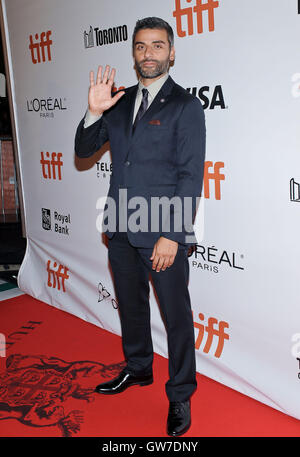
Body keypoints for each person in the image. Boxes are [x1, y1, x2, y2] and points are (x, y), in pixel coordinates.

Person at [75, 16, 206, 437]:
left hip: (162, 232)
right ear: (133, 53)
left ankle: (181, 393)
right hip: (119, 228)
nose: (148, 53)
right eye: (141, 46)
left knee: (176, 316)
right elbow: (83, 150)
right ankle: (138, 368)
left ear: (171, 52)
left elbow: (190, 176)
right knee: (131, 307)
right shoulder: (117, 100)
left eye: (157, 45)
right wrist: (93, 111)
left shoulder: (185, 106)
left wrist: (173, 233)